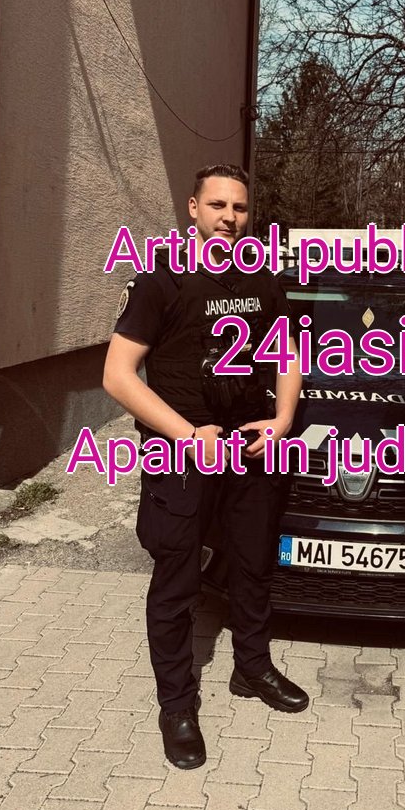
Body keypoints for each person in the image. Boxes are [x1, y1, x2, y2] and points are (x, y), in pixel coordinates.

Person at [103, 163, 307, 771]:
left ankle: (252, 667)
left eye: (239, 208)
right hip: (181, 454)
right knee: (178, 581)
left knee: (253, 565)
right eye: (217, 205)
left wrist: (282, 420)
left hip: (250, 450)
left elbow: (289, 351)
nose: (229, 218)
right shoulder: (160, 279)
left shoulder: (262, 277)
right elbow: (117, 376)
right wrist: (189, 436)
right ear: (193, 208)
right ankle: (177, 705)